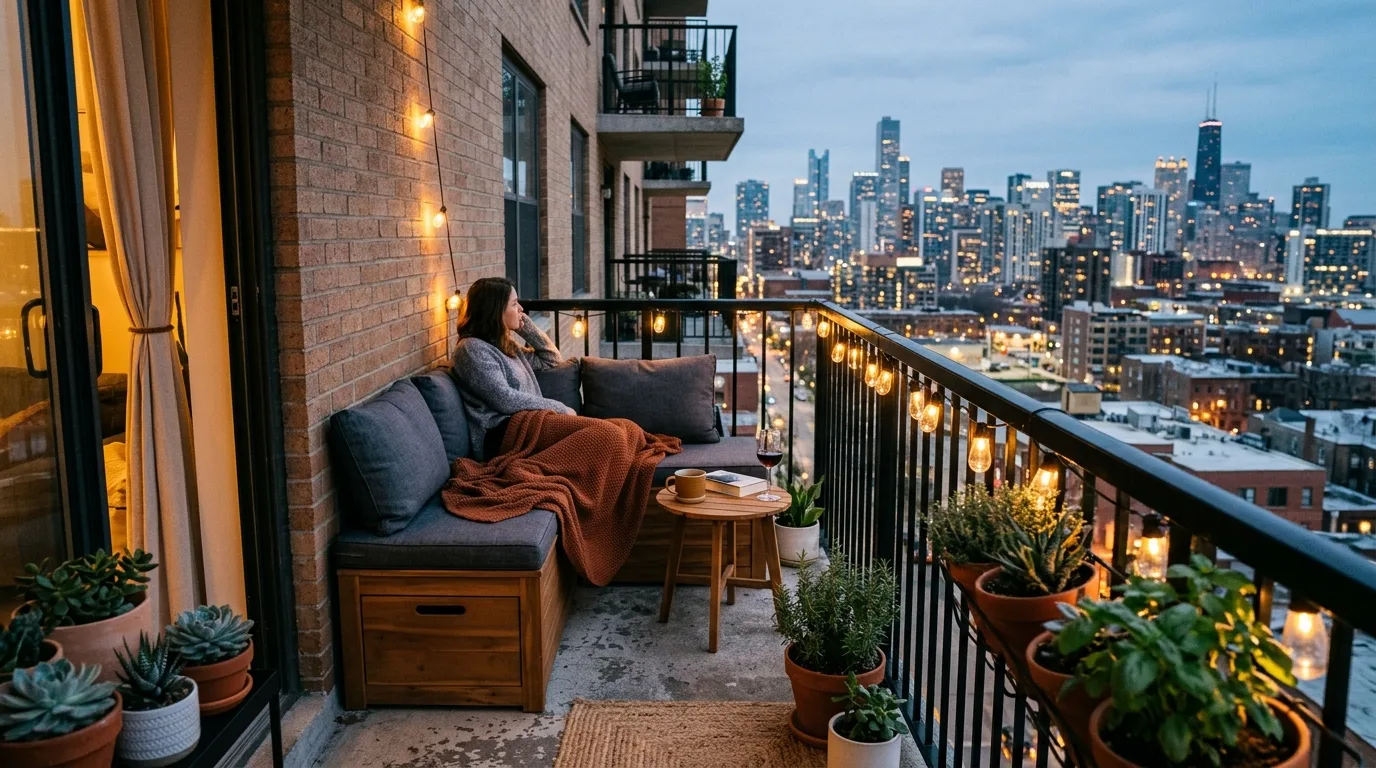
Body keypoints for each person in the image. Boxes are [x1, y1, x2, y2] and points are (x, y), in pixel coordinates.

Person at [450, 277, 574, 460]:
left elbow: (552, 360)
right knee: (610, 436)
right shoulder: (471, 349)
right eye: (515, 304)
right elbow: (504, 399)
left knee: (623, 429)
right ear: (496, 311)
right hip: (502, 436)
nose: (521, 309)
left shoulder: (507, 346)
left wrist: (526, 327)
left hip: (530, 425)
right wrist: (559, 408)